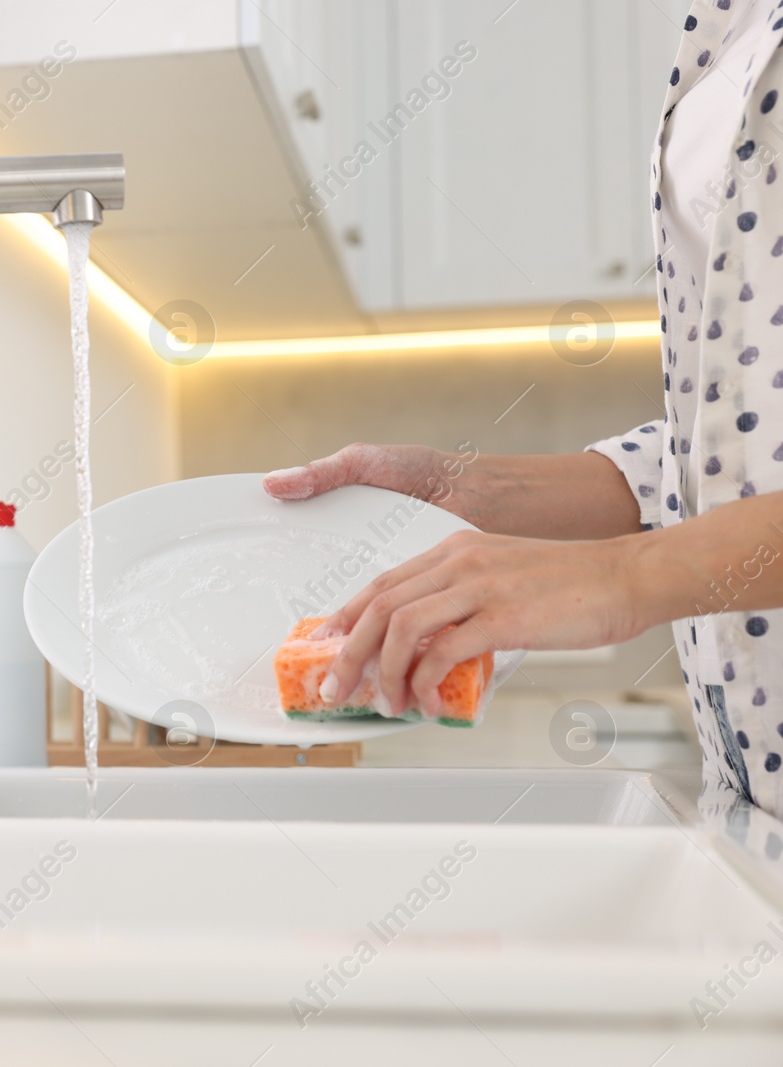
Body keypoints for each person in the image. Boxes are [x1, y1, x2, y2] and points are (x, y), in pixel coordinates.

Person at [262, 0, 783, 818]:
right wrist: (476, 491)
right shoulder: (725, 21)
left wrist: (617, 579)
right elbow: (737, 444)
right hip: (755, 796)